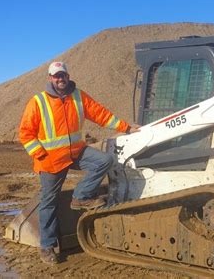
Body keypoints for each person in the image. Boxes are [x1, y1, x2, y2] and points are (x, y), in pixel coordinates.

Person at [19, 61, 139, 265]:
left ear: (68, 76)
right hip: (51, 160)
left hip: (76, 152)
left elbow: (101, 115)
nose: (60, 79)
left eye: (63, 75)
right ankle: (47, 247)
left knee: (105, 160)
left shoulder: (78, 96)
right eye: (56, 76)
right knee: (49, 201)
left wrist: (126, 128)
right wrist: (40, 154)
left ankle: (81, 197)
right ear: (50, 78)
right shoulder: (38, 102)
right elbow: (26, 133)